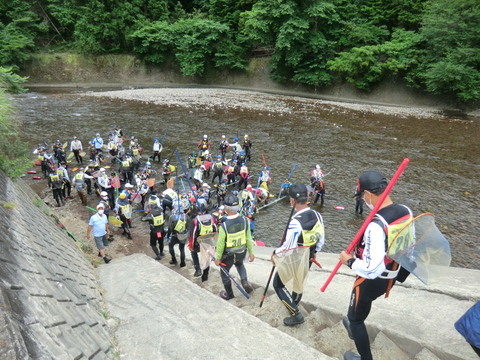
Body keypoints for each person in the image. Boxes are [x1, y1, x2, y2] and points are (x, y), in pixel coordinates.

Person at [340, 170, 413, 360]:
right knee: (362, 307)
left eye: (363, 196)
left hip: (372, 280)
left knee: (355, 319)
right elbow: (410, 247)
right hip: (392, 273)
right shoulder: (406, 211)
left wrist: (348, 260)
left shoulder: (375, 225)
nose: (363, 200)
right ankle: (357, 324)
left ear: (369, 194)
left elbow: (372, 268)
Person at [272, 183, 325, 326]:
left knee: (277, 284)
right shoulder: (317, 215)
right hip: (308, 256)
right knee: (298, 282)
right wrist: (315, 252)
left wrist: (274, 253)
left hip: (294, 258)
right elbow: (321, 237)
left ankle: (295, 314)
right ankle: (294, 303)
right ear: (307, 197)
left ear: (292, 200)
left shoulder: (295, 222)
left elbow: (287, 248)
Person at [214, 194, 255, 300]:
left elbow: (220, 244)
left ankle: (229, 294)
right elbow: (248, 238)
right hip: (241, 251)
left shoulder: (224, 225)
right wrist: (251, 253)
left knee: (224, 273)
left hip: (228, 255)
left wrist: (217, 258)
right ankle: (244, 282)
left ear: (226, 208)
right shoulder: (245, 220)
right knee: (240, 264)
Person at [189, 212, 217, 281]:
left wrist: (191, 245)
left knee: (193, 253)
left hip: (198, 243)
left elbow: (192, 234)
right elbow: (215, 230)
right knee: (207, 258)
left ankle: (198, 269)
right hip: (208, 242)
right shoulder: (212, 218)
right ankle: (205, 275)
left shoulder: (196, 220)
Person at [144, 195, 166, 260]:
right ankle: (161, 252)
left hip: (154, 232)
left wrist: (146, 213)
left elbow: (142, 219)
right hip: (161, 231)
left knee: (153, 244)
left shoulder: (151, 217)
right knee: (161, 242)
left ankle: (158, 255)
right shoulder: (162, 214)